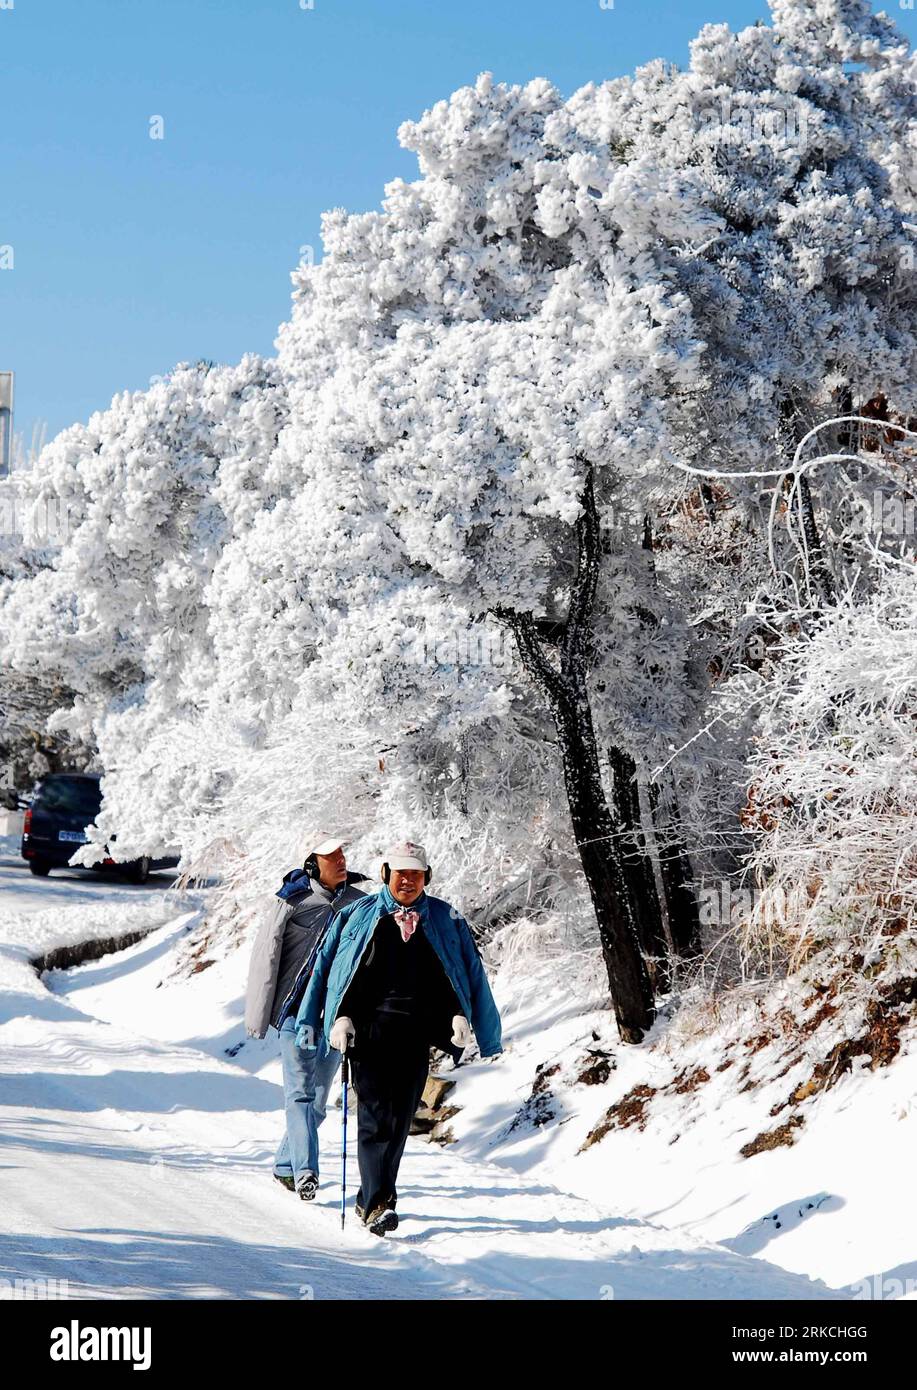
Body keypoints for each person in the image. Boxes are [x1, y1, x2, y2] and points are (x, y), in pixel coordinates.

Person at [295, 840, 502, 1236]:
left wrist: (462, 1018)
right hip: (367, 1032)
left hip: (416, 1033)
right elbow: (328, 969)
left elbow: (464, 973)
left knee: (400, 1120)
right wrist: (332, 1019)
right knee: (374, 1117)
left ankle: (372, 1195)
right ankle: (379, 1203)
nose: (408, 881)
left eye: (416, 874)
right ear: (386, 874)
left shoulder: (445, 918)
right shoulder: (357, 915)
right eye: (401, 873)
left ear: (426, 877)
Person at [245, 832, 366, 1199]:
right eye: (332, 856)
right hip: (295, 1015)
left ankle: (286, 1164)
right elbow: (265, 957)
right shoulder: (291, 901)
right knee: (298, 1095)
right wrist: (258, 1015)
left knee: (317, 1100)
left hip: (335, 1020)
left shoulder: (358, 903)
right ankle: (306, 1171)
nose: (342, 860)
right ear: (313, 863)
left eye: (343, 853)